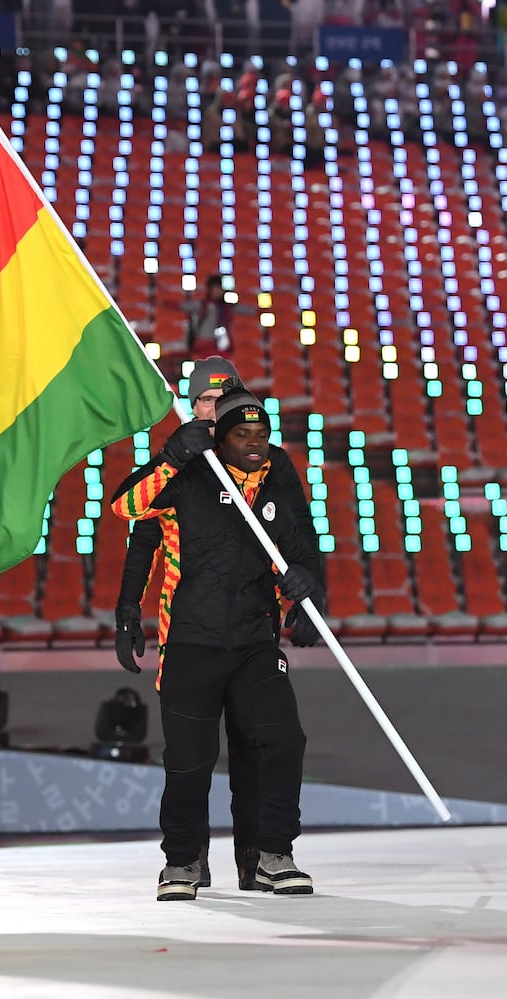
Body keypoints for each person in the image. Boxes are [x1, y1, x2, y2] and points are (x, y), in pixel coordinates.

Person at [113, 357, 322, 892]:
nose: (212, 410)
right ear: (190, 405)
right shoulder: (179, 464)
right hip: (189, 640)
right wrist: (127, 611)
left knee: (278, 742)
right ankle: (184, 860)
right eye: (203, 401)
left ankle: (270, 855)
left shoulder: (272, 464)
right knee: (188, 760)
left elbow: (302, 540)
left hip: (256, 639)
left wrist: (308, 588)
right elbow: (130, 517)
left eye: (221, 399)